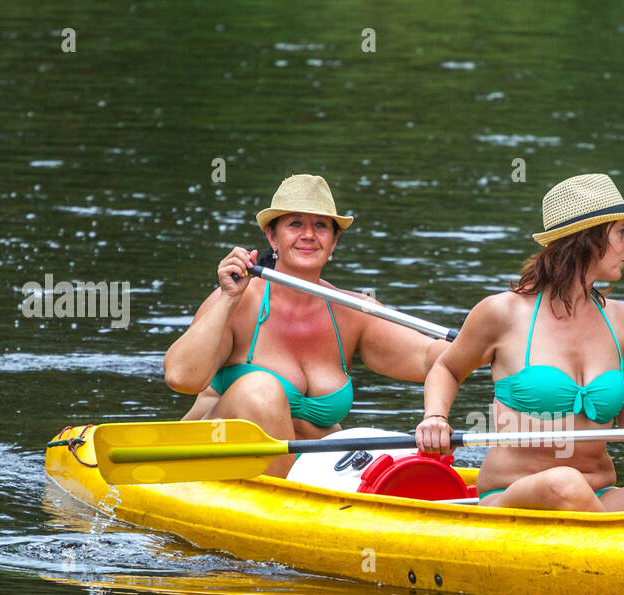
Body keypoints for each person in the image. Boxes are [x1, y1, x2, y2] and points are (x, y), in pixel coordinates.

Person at [416, 173, 624, 511]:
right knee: (563, 482)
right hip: (515, 495)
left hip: (599, 499)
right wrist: (435, 418)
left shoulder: (621, 321)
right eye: (622, 232)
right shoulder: (503, 312)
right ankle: (621, 547)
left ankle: (612, 541)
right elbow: (446, 367)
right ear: (587, 239)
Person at [163, 173, 448, 477]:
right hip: (204, 465)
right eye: (295, 224)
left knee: (386, 452)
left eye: (321, 225)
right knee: (260, 388)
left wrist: (436, 415)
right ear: (273, 237)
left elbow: (437, 357)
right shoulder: (239, 299)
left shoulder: (352, 311)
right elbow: (181, 378)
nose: (309, 235)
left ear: (334, 240)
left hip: (303, 478)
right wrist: (227, 299)